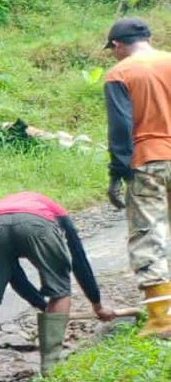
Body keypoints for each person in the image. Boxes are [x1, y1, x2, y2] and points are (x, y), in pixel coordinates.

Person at [0, 192, 117, 382]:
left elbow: (14, 275)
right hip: (37, 224)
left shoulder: (0, 206)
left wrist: (42, 307)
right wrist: (97, 305)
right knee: (59, 291)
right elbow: (78, 258)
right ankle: (51, 369)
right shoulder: (53, 209)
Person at [104, 16, 171, 337]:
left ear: (117, 45)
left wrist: (118, 173)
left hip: (150, 161)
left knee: (149, 233)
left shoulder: (120, 73)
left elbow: (121, 129)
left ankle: (162, 319)